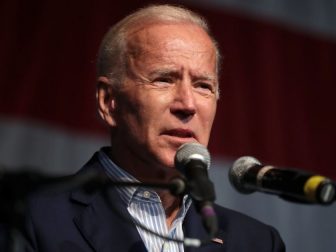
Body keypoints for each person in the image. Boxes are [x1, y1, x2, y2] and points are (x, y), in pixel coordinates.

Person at [22, 4, 285, 252]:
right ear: (109, 102)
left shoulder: (257, 243)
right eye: (163, 80)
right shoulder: (30, 220)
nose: (188, 104)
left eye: (203, 85)